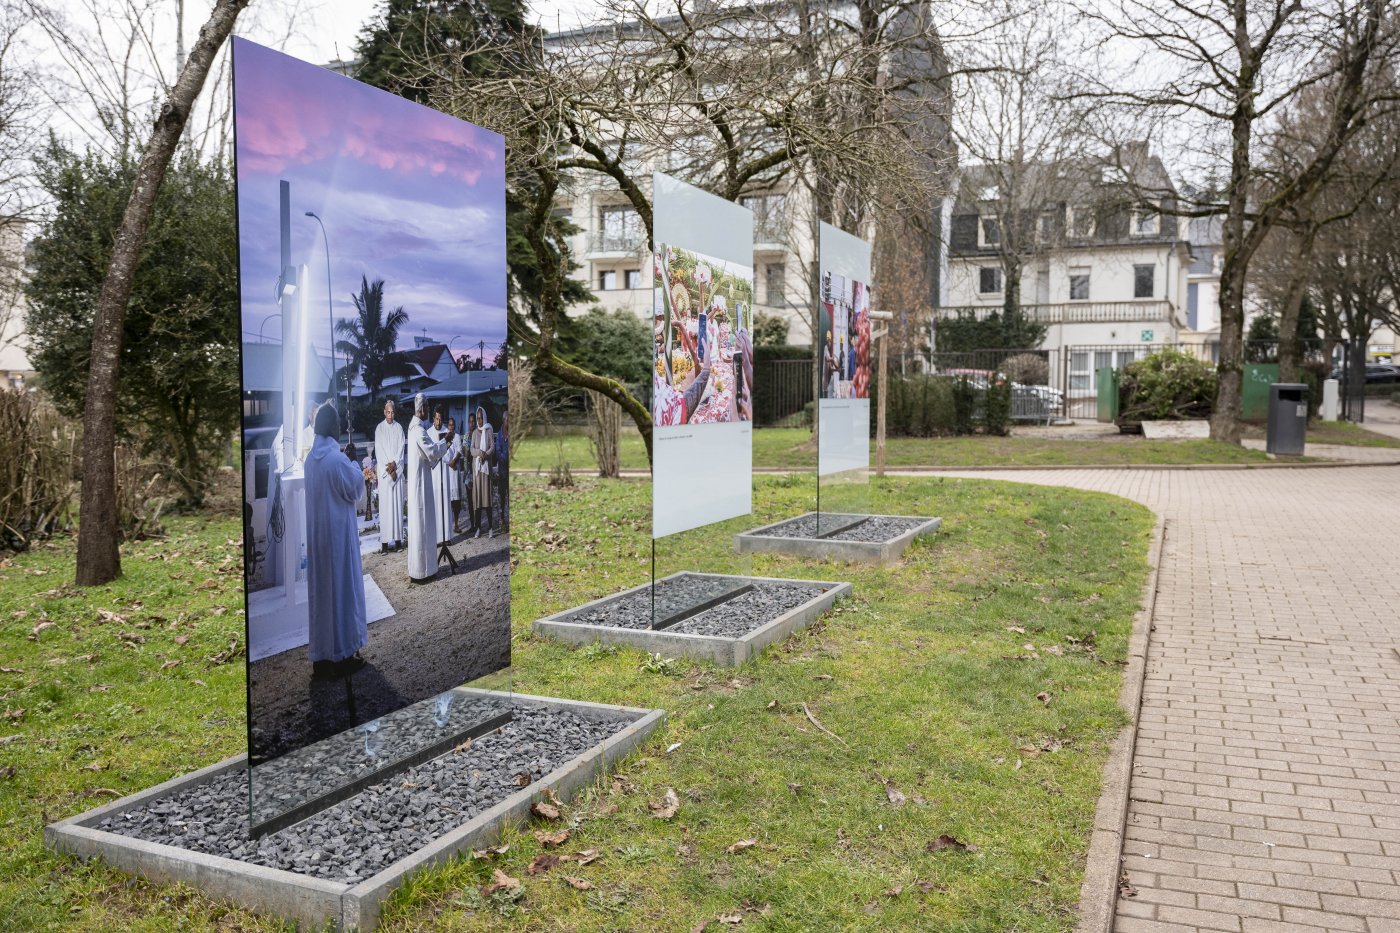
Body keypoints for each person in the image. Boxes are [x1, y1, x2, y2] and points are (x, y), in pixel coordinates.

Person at [304, 404, 368, 677]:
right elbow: (355, 489)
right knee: (341, 593)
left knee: (322, 597)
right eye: (339, 423)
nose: (341, 427)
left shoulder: (310, 460)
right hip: (339, 540)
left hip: (319, 540)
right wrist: (353, 461)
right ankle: (342, 654)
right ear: (331, 427)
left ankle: (321, 657)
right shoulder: (335, 460)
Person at [406, 393, 448, 581]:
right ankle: (423, 571)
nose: (429, 410)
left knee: (422, 526)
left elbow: (427, 455)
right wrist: (446, 441)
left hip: (420, 480)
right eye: (428, 407)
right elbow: (431, 451)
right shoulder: (418, 430)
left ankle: (423, 569)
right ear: (422, 409)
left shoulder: (415, 428)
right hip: (420, 485)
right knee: (422, 526)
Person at [374, 400, 406, 552]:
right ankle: (385, 544)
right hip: (387, 475)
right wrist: (389, 469)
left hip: (396, 473)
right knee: (386, 508)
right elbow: (379, 451)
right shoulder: (379, 428)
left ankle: (398, 541)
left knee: (397, 507)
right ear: (384, 412)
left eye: (393, 412)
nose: (391, 415)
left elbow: (401, 450)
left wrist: (395, 466)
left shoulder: (399, 428)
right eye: (388, 412)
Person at [428, 406, 457, 546]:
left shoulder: (447, 432)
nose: (439, 422)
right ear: (433, 418)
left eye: (440, 419)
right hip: (434, 474)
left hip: (444, 472)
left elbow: (450, 454)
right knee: (435, 505)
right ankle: (437, 538)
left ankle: (447, 537)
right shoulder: (428, 433)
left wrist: (442, 452)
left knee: (445, 503)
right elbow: (429, 454)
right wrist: (439, 452)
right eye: (436, 418)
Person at [469, 405, 495, 538]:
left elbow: (492, 447)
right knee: (478, 500)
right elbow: (471, 450)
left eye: (480, 418)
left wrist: (487, 454)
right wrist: (480, 453)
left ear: (484, 418)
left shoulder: (489, 430)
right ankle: (478, 527)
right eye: (477, 419)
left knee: (487, 499)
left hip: (486, 471)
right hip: (477, 471)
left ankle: (490, 527)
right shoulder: (474, 433)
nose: (479, 421)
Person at [445, 415, 465, 534]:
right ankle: (448, 525)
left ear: (455, 426)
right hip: (448, 470)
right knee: (449, 500)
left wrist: (454, 461)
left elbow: (459, 450)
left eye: (453, 425)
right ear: (448, 426)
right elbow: (444, 452)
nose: (451, 427)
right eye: (450, 425)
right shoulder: (446, 436)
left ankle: (456, 524)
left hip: (455, 469)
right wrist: (449, 462)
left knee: (456, 500)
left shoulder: (457, 436)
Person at [463, 412, 479, 535]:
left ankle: (478, 525)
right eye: (470, 421)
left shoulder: (478, 434)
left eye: (474, 421)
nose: (472, 423)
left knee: (476, 499)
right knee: (469, 500)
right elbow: (466, 452)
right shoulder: (466, 436)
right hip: (467, 472)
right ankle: (473, 525)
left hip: (476, 471)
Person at [494, 411, 509, 532]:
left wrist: (506, 457)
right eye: (507, 420)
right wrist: (504, 458)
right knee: (501, 497)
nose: (509, 423)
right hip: (502, 471)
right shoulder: (499, 434)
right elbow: (497, 451)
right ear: (504, 421)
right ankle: (502, 521)